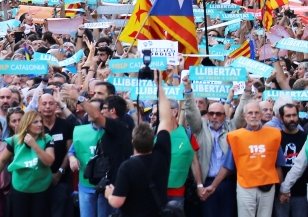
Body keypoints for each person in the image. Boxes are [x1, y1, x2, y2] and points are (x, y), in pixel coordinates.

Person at [104, 73, 175, 217]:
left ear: (133, 142)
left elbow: (117, 202)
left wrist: (109, 195)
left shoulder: (127, 167)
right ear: (153, 140)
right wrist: (159, 85)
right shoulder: (162, 154)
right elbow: (166, 118)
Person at [185, 75, 252, 217]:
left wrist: (247, 90)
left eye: (218, 114)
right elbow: (191, 112)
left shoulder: (232, 127)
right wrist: (188, 89)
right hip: (206, 182)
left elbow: (241, 113)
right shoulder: (200, 128)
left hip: (228, 183)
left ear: (225, 116)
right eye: (211, 113)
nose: (214, 116)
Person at [203, 101, 282, 217]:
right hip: (246, 188)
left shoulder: (274, 134)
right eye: (250, 113)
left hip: (268, 188)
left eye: (256, 113)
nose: (254, 116)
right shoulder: (236, 136)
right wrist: (213, 186)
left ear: (261, 115)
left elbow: (278, 164)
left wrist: (283, 189)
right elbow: (227, 166)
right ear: (244, 116)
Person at [0, 110, 56, 217]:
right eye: (35, 122)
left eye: (40, 121)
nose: (40, 124)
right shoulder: (15, 140)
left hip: (41, 188)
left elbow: (49, 161)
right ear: (27, 124)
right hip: (20, 188)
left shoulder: (47, 139)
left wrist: (34, 145)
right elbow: (2, 161)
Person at [275, 104, 308, 217]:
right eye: (288, 116)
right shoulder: (276, 138)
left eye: (294, 115)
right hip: (279, 192)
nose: (292, 119)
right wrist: (281, 189)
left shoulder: (307, 138)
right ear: (281, 117)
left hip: (301, 192)